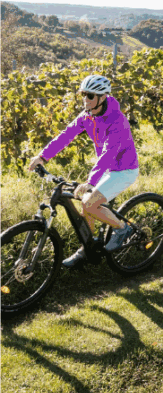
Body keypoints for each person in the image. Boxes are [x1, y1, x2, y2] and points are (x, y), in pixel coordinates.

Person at [27, 74, 140, 267]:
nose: (85, 100)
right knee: (86, 202)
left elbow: (108, 154)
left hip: (124, 169)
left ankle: (122, 229)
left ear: (102, 97)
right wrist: (42, 156)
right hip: (107, 169)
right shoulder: (87, 115)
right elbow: (66, 136)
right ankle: (87, 247)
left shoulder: (117, 121)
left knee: (88, 203)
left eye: (89, 95)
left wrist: (90, 182)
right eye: (83, 95)